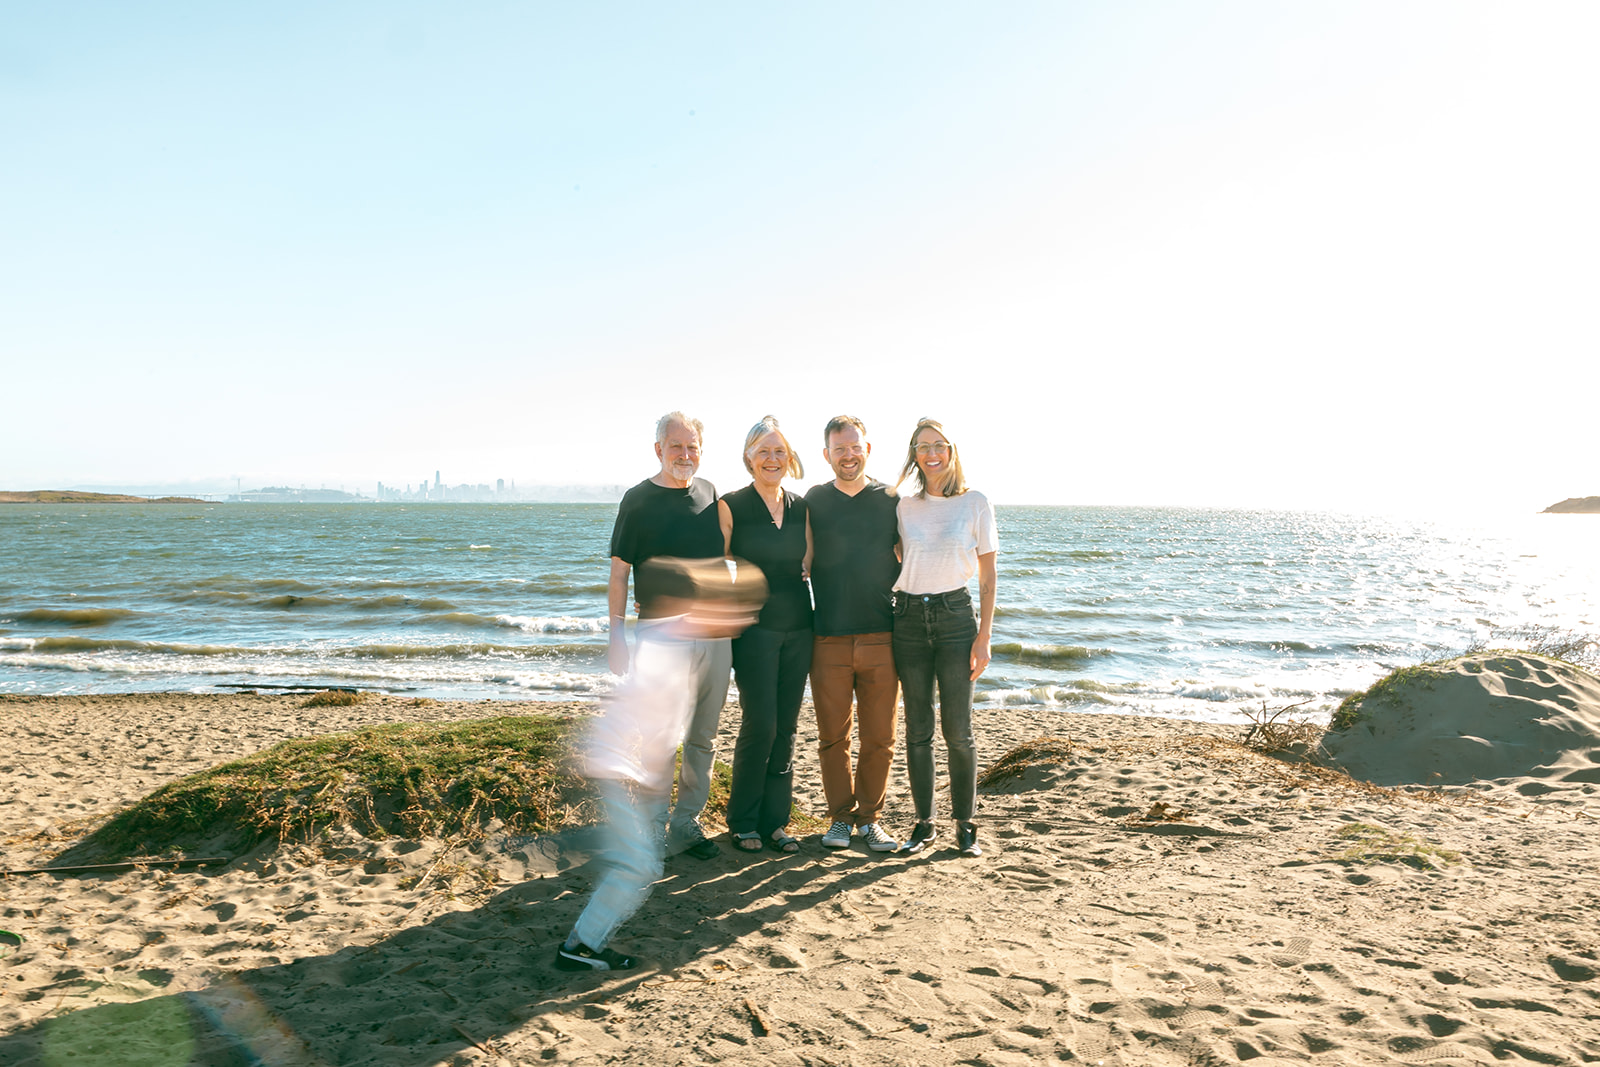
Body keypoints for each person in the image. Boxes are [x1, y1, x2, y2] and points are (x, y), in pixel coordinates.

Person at [557, 556, 767, 971]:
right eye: (741, 611)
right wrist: (650, 775)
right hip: (615, 766)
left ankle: (584, 941)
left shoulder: (677, 634)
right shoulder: (671, 646)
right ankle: (579, 947)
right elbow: (654, 719)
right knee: (640, 864)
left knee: (639, 863)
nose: (744, 620)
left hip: (617, 763)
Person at [606, 412, 730, 861]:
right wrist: (617, 635)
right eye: (675, 445)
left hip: (714, 633)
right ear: (658, 449)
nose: (685, 454)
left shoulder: (711, 493)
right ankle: (654, 825)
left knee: (704, 733)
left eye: (692, 445)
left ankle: (687, 821)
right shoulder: (637, 500)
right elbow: (620, 572)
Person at [891, 417, 998, 858]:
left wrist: (984, 636)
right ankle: (924, 825)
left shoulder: (975, 503)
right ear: (914, 455)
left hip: (957, 620)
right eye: (921, 446)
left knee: (958, 730)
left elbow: (989, 577)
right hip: (909, 620)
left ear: (951, 451)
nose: (930, 453)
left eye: (938, 445)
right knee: (917, 729)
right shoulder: (903, 507)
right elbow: (896, 558)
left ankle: (965, 825)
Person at [804, 415, 903, 853]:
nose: (848, 455)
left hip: (883, 635)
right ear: (827, 455)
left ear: (867, 449)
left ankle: (871, 819)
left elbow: (918, 552)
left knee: (880, 738)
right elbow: (797, 556)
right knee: (833, 737)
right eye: (839, 448)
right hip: (827, 637)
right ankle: (841, 819)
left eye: (854, 447)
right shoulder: (814, 500)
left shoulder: (891, 500)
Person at [717, 416, 813, 853]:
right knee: (761, 724)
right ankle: (742, 820)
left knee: (788, 727)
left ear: (789, 458)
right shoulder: (731, 505)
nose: (772, 459)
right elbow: (714, 568)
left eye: (779, 452)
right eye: (763, 452)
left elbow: (812, 564)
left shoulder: (802, 507)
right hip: (754, 632)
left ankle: (776, 822)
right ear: (748, 459)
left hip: (800, 628)